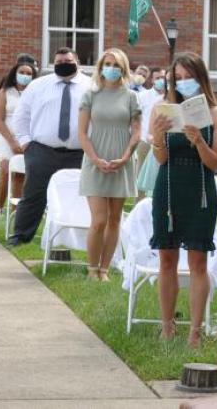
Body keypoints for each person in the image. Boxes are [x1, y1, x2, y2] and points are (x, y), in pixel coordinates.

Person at [148, 52, 217, 348]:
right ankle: (167, 325)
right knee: (166, 258)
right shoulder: (161, 109)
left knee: (198, 260)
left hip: (201, 191)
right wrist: (157, 138)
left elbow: (214, 164)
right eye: (178, 78)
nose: (183, 83)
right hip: (168, 188)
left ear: (201, 78)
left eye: (189, 77)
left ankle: (195, 330)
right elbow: (160, 158)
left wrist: (198, 141)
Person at [8, 47, 92, 247]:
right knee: (34, 195)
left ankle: (73, 242)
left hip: (79, 153)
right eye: (59, 62)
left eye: (68, 61)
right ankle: (20, 236)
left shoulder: (91, 86)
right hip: (41, 150)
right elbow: (22, 115)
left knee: (77, 197)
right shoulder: (38, 86)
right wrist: (26, 142)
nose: (64, 64)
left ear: (77, 62)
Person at [78, 48, 141, 281]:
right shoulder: (90, 95)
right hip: (94, 160)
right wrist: (95, 159)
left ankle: (104, 269)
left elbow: (136, 131)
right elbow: (82, 133)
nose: (111, 69)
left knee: (115, 219)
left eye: (116, 65)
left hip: (121, 162)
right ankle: (91, 268)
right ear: (100, 67)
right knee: (99, 220)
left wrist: (125, 157)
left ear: (123, 69)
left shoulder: (131, 97)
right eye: (108, 64)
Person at [0, 62, 35, 216]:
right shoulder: (5, 92)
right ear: (15, 73)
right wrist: (11, 141)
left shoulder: (34, 93)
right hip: (6, 137)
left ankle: (15, 212)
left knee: (19, 174)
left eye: (29, 73)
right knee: (5, 171)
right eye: (22, 72)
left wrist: (25, 141)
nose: (25, 76)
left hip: (26, 139)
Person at [135, 67, 167, 190]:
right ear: (152, 80)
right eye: (157, 78)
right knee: (142, 176)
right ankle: (140, 204)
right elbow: (136, 118)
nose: (160, 80)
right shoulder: (143, 96)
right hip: (145, 141)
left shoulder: (169, 98)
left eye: (162, 78)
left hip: (163, 141)